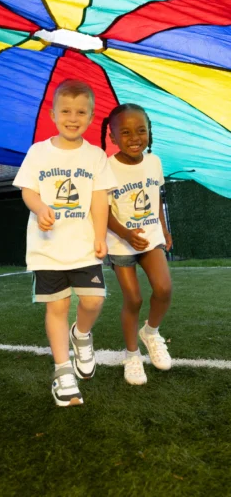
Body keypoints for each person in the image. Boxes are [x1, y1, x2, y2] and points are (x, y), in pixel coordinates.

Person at [13, 79, 117, 407]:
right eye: (66, 111)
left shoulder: (96, 156)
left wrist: (100, 236)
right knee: (56, 307)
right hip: (47, 249)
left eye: (80, 112)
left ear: (90, 117)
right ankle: (62, 370)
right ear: (54, 114)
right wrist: (40, 207)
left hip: (85, 246)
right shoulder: (38, 152)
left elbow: (100, 200)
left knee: (93, 301)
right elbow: (27, 189)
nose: (73, 117)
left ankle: (81, 335)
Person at [101, 103, 173, 386]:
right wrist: (126, 234)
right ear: (113, 137)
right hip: (121, 243)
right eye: (126, 132)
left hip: (151, 237)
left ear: (149, 133)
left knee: (164, 288)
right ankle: (132, 355)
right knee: (133, 299)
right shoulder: (107, 168)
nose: (134, 138)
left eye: (141, 131)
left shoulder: (154, 162)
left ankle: (151, 333)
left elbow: (156, 198)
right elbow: (103, 211)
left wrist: (164, 231)